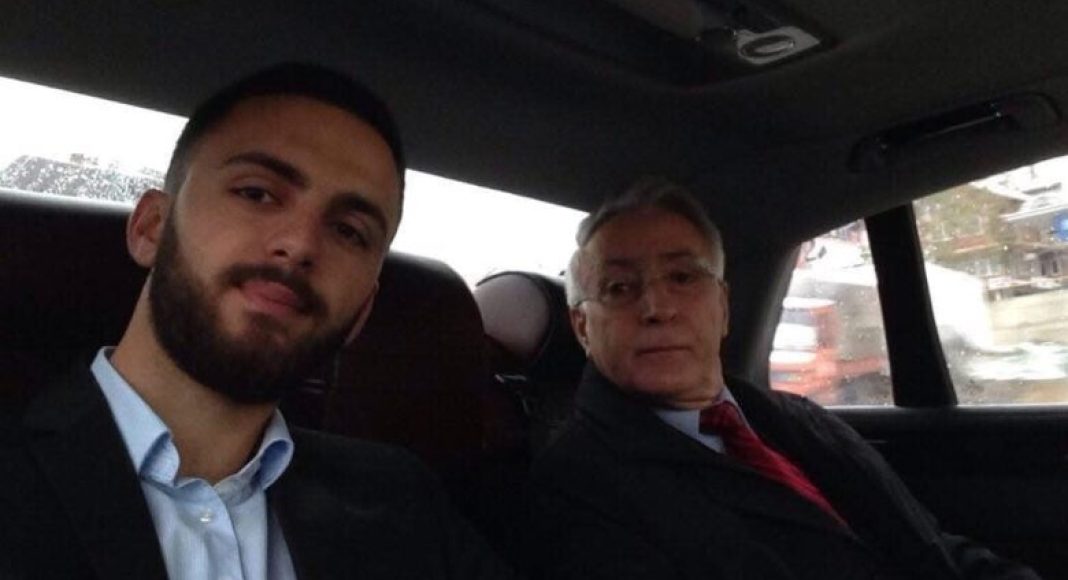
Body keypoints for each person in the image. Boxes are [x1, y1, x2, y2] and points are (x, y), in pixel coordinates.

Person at [0, 63, 512, 579]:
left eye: (349, 231)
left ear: (363, 311)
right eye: (257, 193)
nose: (301, 244)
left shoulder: (403, 505)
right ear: (152, 228)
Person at [527, 178, 1040, 579]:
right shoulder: (574, 490)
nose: (657, 307)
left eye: (682, 277)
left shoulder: (798, 419)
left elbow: (935, 549)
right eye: (619, 288)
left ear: (723, 306)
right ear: (582, 327)